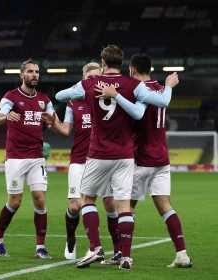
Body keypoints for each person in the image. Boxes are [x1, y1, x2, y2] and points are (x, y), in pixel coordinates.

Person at [55, 44, 179, 270]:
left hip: (99, 153)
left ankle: (95, 248)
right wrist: (167, 86)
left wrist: (81, 90)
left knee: (87, 199)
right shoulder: (134, 85)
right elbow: (158, 104)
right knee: (123, 206)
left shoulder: (90, 84)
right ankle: (125, 257)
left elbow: (59, 95)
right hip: (125, 155)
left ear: (102, 63)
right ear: (123, 65)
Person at [100, 53, 192, 268]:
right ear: (151, 69)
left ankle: (123, 256)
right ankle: (182, 255)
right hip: (162, 157)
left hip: (141, 157)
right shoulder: (161, 89)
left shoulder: (134, 89)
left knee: (126, 206)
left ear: (131, 70)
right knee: (165, 206)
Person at [42, 62, 120, 260]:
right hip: (80, 160)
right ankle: (71, 238)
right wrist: (54, 124)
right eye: (89, 78)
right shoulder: (73, 103)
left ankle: (117, 250)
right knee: (76, 205)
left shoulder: (110, 100)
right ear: (83, 81)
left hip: (104, 159)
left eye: (97, 77)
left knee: (111, 203)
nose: (93, 81)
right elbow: (65, 132)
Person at [0, 58, 54, 259]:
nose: (34, 75)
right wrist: (7, 116)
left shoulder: (44, 99)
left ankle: (40, 248)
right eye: (30, 72)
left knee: (40, 200)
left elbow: (55, 122)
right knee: (15, 202)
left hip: (36, 157)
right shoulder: (11, 97)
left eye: (37, 72)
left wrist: (53, 122)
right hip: (16, 157)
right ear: (22, 75)